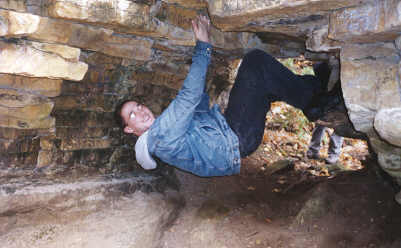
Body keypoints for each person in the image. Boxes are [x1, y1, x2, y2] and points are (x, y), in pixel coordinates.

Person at [116, 15, 336, 177]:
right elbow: (188, 97)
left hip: (230, 132)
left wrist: (205, 77)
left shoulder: (163, 135)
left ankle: (317, 85)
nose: (141, 111)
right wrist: (203, 46)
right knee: (254, 63)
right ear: (129, 129)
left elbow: (198, 109)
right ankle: (316, 103)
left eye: (138, 105)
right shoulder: (160, 135)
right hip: (235, 138)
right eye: (132, 115)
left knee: (265, 86)